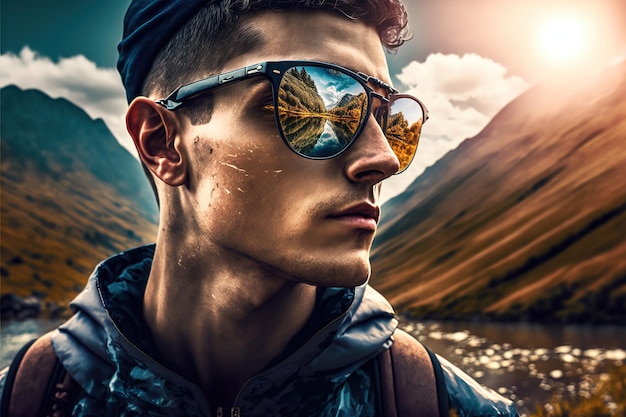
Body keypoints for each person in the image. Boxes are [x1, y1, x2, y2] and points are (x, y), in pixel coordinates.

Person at [0, 1, 519, 416]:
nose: (382, 157)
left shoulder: (442, 405)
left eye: (390, 118)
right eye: (316, 106)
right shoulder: (27, 398)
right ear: (163, 143)